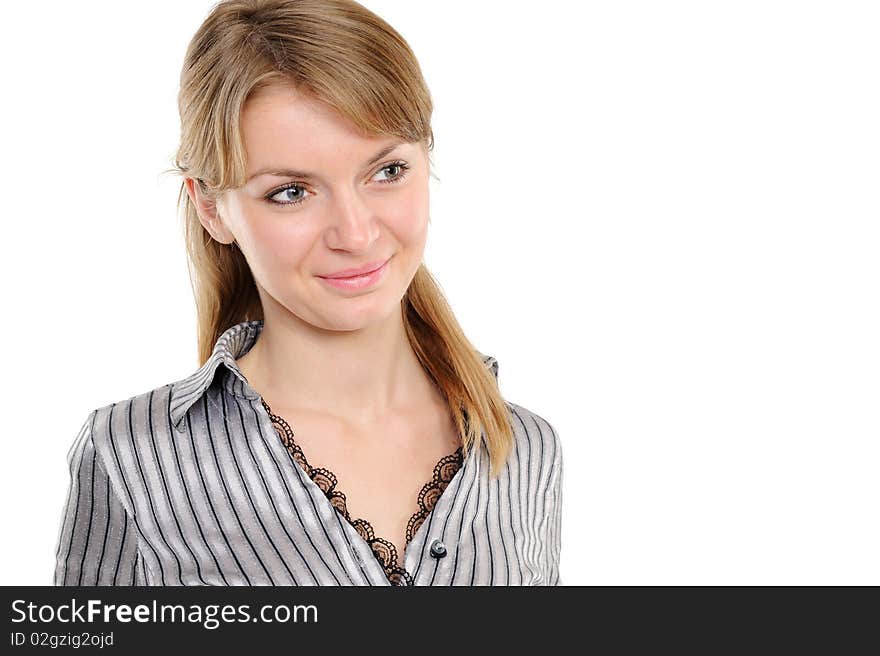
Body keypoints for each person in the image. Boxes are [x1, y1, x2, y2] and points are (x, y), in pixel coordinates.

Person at [53, 0, 562, 586]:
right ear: (211, 208)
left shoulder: (525, 449)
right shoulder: (130, 456)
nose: (357, 233)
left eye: (387, 171)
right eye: (292, 192)